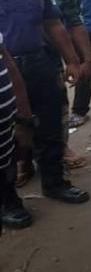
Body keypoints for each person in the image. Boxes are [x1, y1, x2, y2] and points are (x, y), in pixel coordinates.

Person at [0, 0, 90, 224]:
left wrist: (72, 60)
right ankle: (9, 202)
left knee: (50, 126)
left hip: (38, 64)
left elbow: (54, 24)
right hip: (2, 74)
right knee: (6, 139)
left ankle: (55, 183)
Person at [0, 33, 34, 232]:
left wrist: (23, 111)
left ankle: (9, 199)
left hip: (5, 116)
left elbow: (7, 60)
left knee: (6, 159)